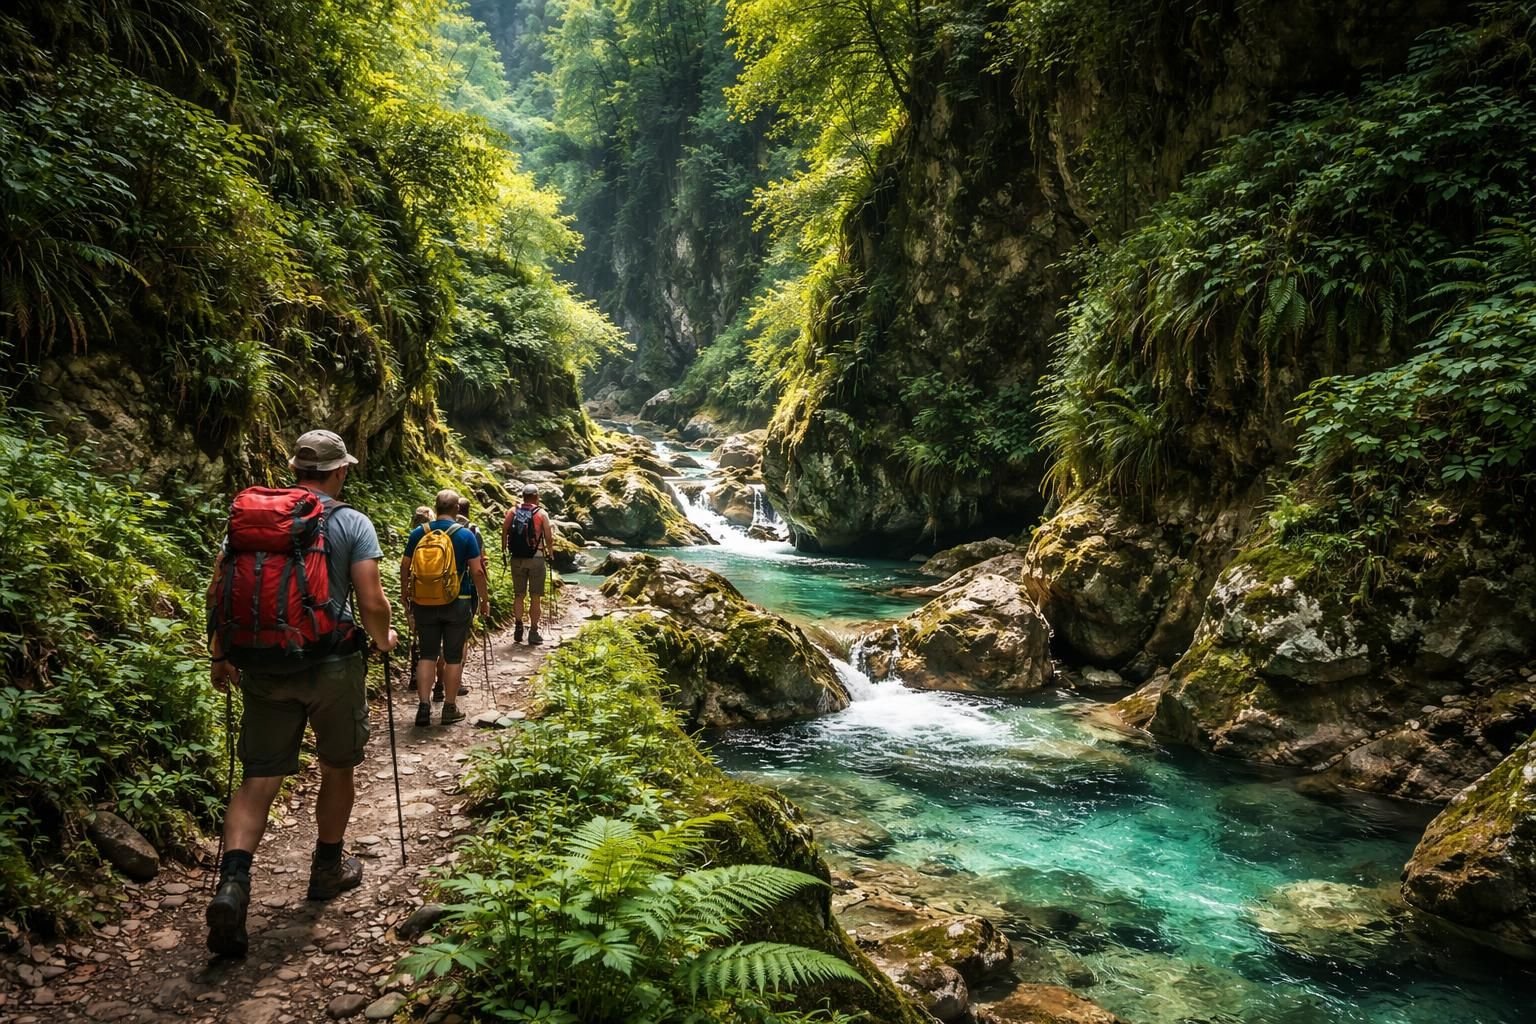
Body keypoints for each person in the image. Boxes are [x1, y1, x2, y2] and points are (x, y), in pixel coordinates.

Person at [204, 429, 398, 959]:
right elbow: (372, 598)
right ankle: (327, 868)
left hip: (264, 665)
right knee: (339, 767)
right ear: (340, 471)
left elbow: (220, 588)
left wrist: (221, 656)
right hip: (332, 665)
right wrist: (384, 640)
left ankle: (233, 885)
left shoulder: (252, 520)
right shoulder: (352, 522)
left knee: (258, 779)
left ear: (295, 470)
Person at [402, 489, 489, 726]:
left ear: (436, 507)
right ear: (456, 510)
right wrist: (484, 600)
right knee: (452, 657)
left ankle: (423, 707)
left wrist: (405, 594)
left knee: (427, 655)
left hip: (423, 602)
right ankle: (449, 708)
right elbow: (478, 571)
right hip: (457, 602)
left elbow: (405, 566)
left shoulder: (418, 533)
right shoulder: (465, 535)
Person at [503, 483, 555, 645]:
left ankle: (518, 626)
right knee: (535, 596)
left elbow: (504, 530)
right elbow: (548, 537)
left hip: (516, 558)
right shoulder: (541, 513)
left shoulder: (513, 511)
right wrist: (550, 553)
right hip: (536, 558)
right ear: (536, 496)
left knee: (519, 594)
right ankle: (533, 631)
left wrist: (504, 550)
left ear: (523, 496)